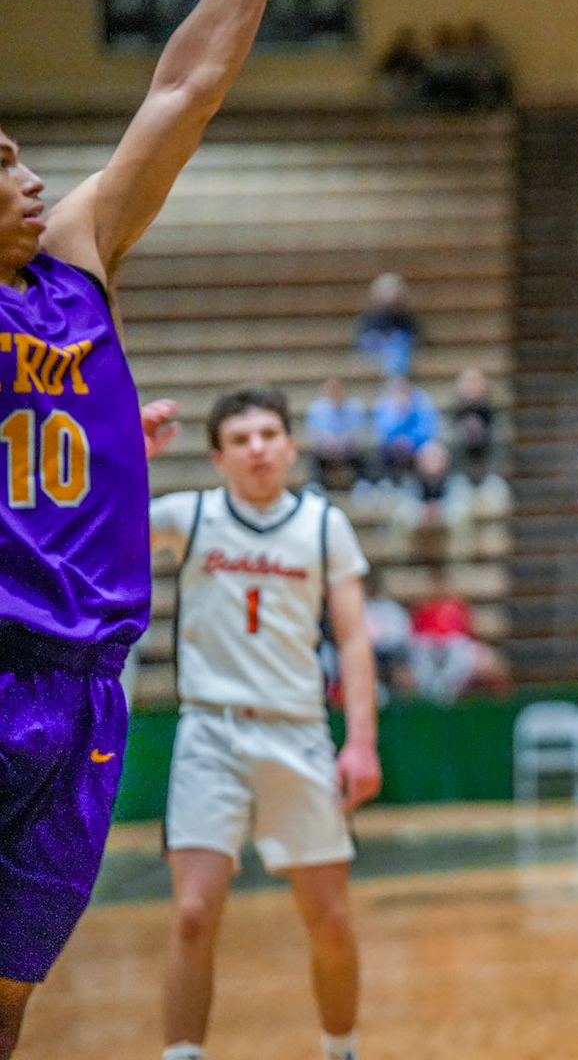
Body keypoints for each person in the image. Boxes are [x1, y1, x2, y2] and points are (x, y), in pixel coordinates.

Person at [0, 0, 344, 1051]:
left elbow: (185, 85)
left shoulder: (76, 257)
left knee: (11, 991)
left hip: (87, 683)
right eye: (2, 162)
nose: (33, 175)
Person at [148, 386, 379, 1060]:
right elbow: (96, 530)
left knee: (329, 919)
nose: (257, 449)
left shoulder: (324, 525)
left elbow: (353, 639)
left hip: (297, 729)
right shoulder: (188, 515)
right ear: (217, 457)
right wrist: (126, 460)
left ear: (291, 446)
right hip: (209, 731)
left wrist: (361, 743)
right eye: (240, 439)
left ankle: (341, 1049)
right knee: (193, 913)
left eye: (269, 435)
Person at [407, 567, 508, 703]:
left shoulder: (458, 605)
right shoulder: (422, 608)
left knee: (492, 662)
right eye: (435, 585)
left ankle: (498, 705)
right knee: (410, 674)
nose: (439, 589)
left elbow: (470, 632)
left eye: (442, 585)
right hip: (427, 652)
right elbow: (413, 638)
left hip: (457, 649)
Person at [370, 373, 439, 482]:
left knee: (432, 451)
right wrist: (400, 415)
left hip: (419, 444)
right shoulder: (384, 403)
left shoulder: (422, 400)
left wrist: (411, 439)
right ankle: (388, 482)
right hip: (393, 445)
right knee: (385, 449)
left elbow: (428, 428)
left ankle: (423, 485)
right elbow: (383, 430)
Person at [304, 377, 368, 491]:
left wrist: (343, 441)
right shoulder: (317, 408)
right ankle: (317, 485)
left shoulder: (354, 406)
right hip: (326, 448)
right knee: (313, 455)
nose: (335, 394)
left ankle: (362, 483)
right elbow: (314, 432)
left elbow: (358, 430)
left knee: (363, 452)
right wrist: (328, 441)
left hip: (348, 447)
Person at [355, 273, 420, 379]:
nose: (390, 295)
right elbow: (363, 340)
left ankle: (396, 378)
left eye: (393, 291)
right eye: (386, 291)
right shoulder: (369, 317)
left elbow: (417, 337)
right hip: (376, 353)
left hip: (401, 354)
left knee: (397, 342)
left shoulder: (407, 317)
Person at [448, 366, 496, 483]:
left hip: (490, 476)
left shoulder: (492, 414)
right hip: (457, 476)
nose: (471, 387)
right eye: (468, 382)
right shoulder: (452, 414)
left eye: (475, 382)